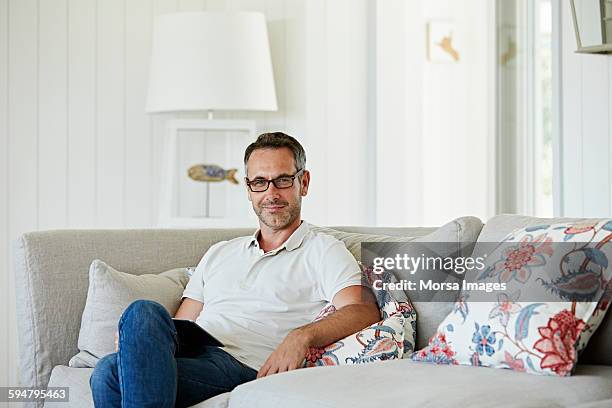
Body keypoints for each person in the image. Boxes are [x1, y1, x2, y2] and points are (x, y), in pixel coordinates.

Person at [89, 132, 381, 407]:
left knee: (110, 375)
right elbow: (181, 326)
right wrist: (138, 339)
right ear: (248, 188)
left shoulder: (323, 250)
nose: (271, 193)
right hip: (196, 354)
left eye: (282, 180)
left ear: (303, 183)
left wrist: (300, 337)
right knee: (139, 317)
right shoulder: (220, 252)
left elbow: (363, 311)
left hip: (242, 365)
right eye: (260, 182)